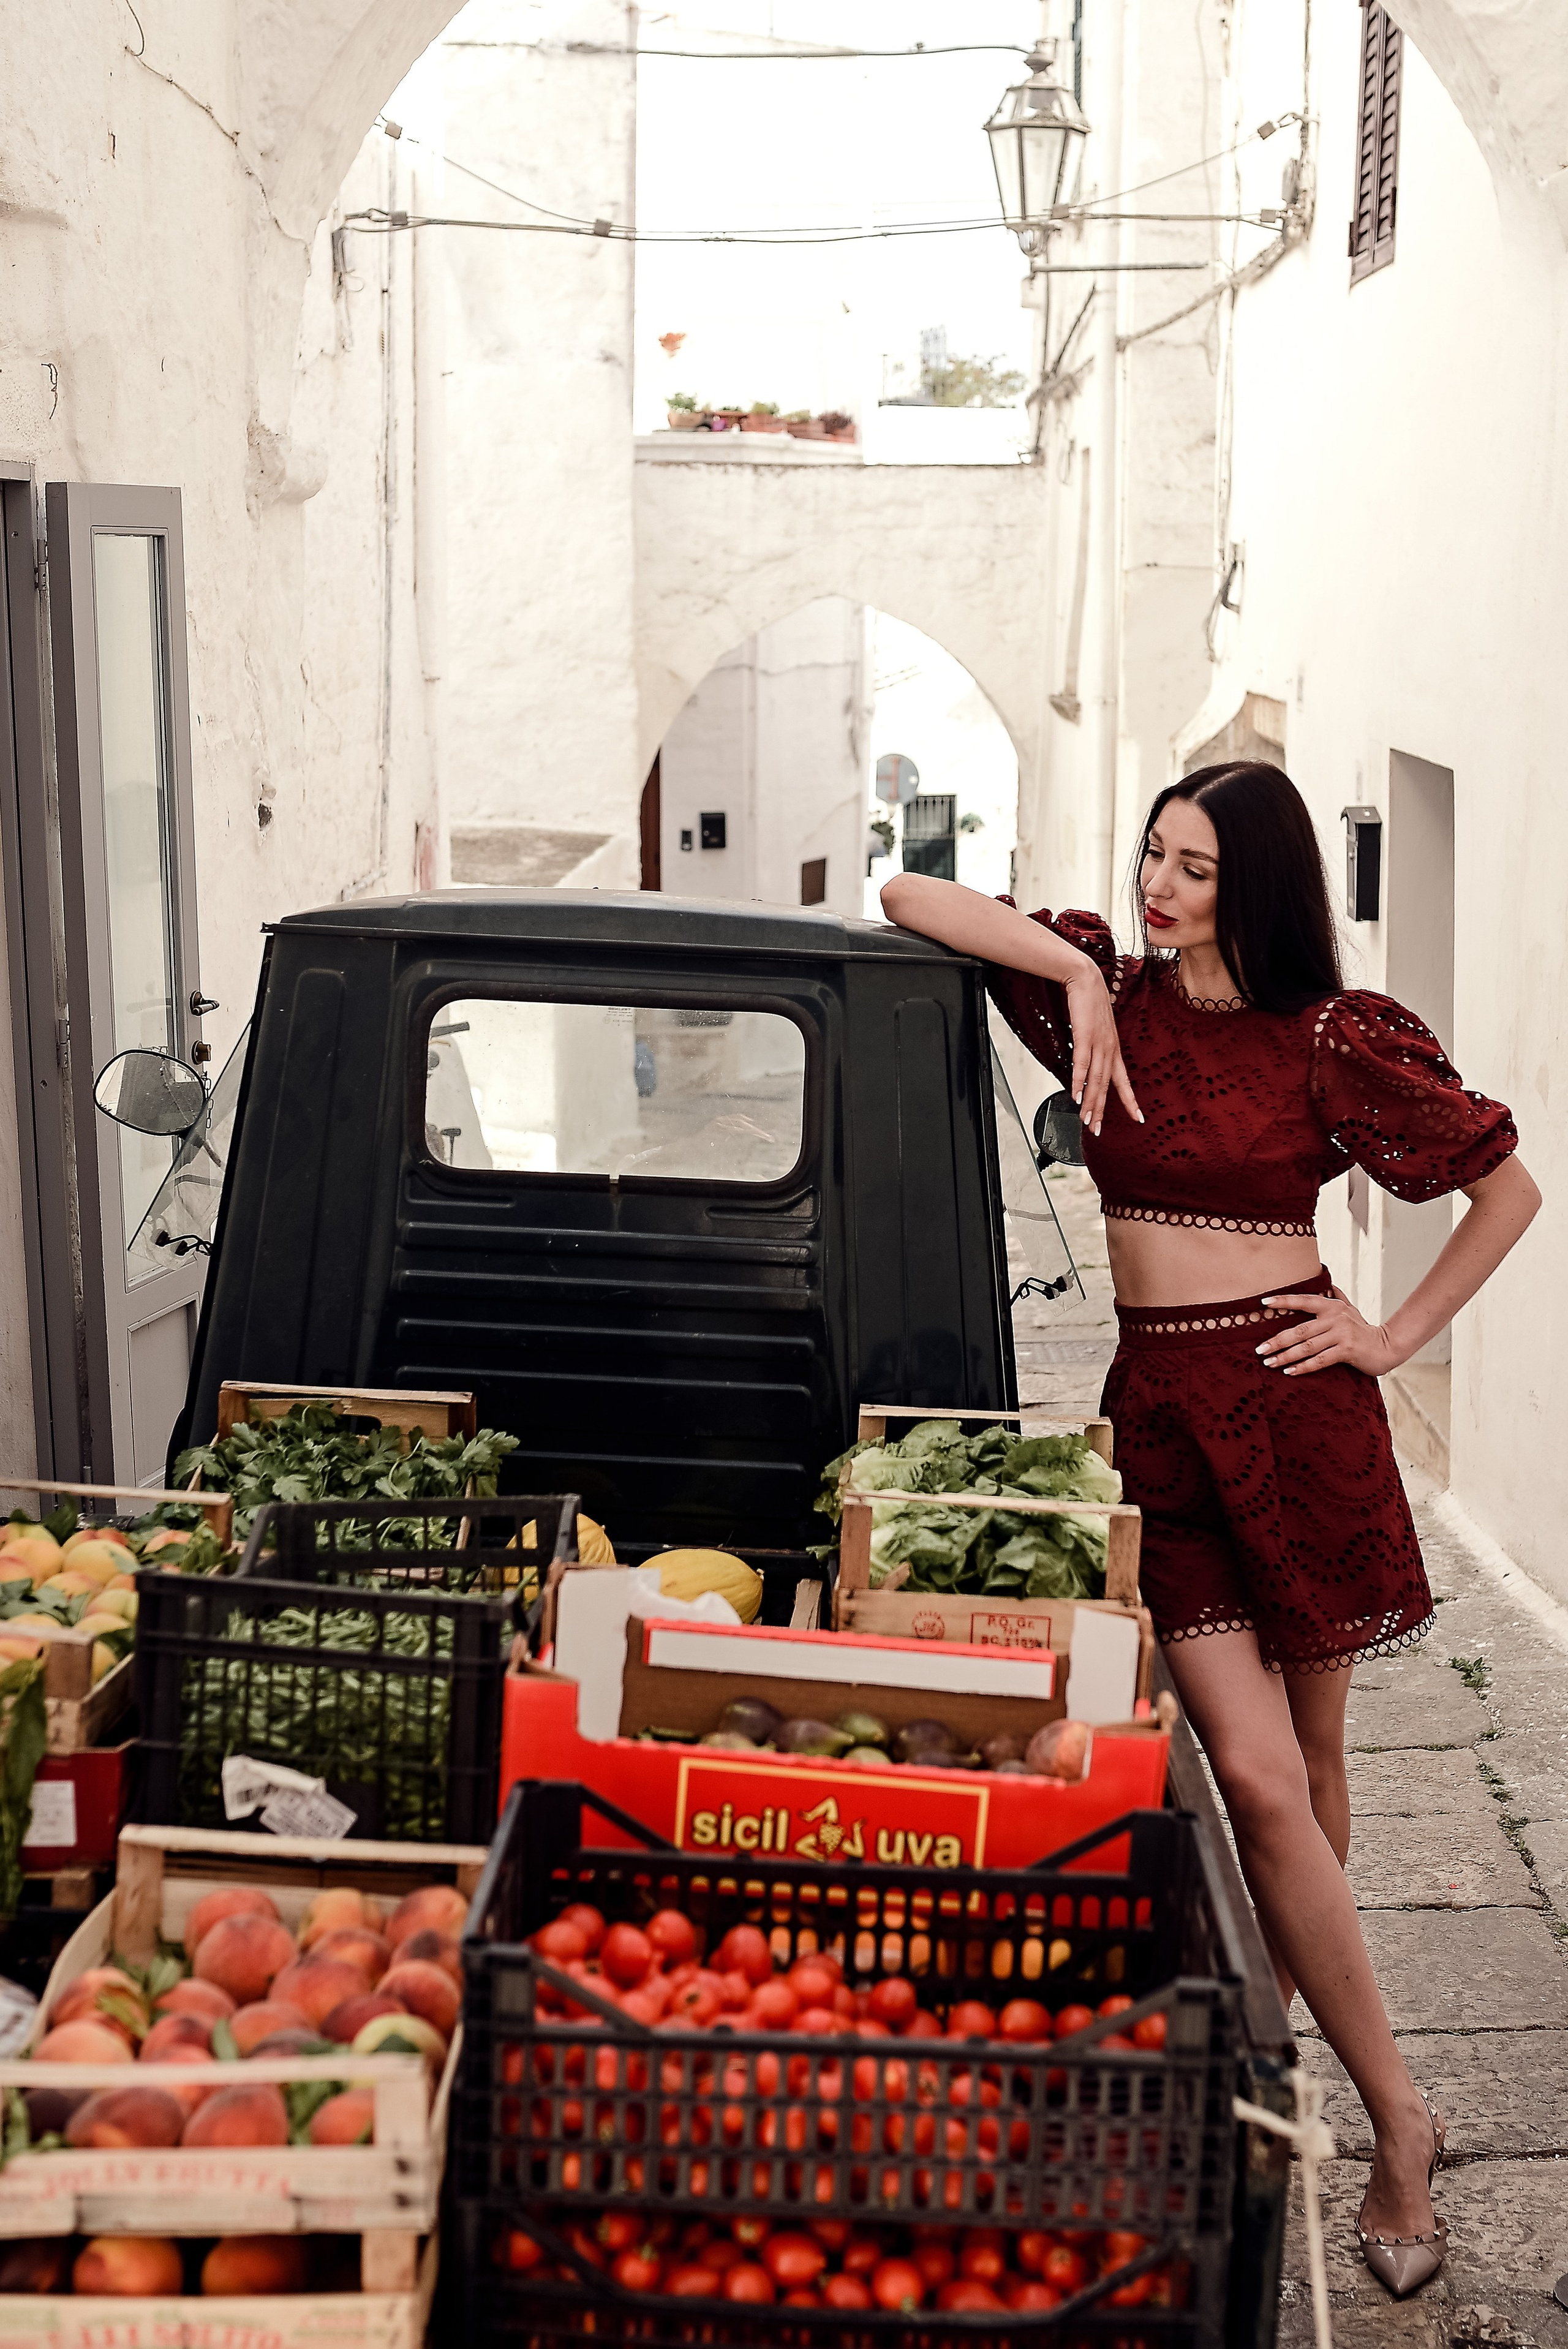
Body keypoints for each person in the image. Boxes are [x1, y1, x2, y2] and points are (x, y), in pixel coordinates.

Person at [880, 762, 1539, 2300]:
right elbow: (907, 897)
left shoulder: (1331, 1038)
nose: (1160, 885)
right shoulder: (1100, 992)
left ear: (1255, 883)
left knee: (1304, 1777)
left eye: (1192, 867)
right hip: (1157, 1426)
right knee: (1248, 1771)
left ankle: (1339, 2085)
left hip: (1296, 1420)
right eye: (1150, 856)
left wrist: (1388, 1335)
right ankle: (1394, 2108)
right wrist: (1063, 969)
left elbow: (1503, 1191)